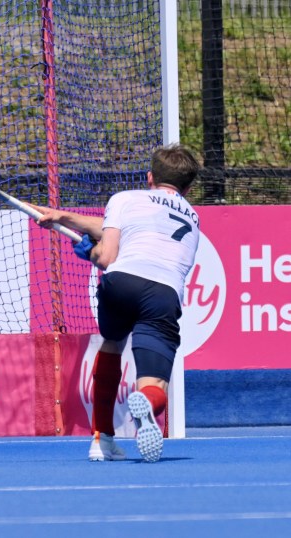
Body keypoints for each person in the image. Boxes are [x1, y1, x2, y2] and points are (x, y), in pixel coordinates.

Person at [33, 144, 200, 462]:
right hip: (163, 293)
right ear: (188, 188)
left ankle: (101, 439)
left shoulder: (124, 199)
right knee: (155, 384)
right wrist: (64, 217)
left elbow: (107, 255)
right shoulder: (193, 217)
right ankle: (145, 403)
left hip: (120, 284)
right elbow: (130, 229)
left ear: (149, 177)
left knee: (112, 343)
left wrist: (90, 250)